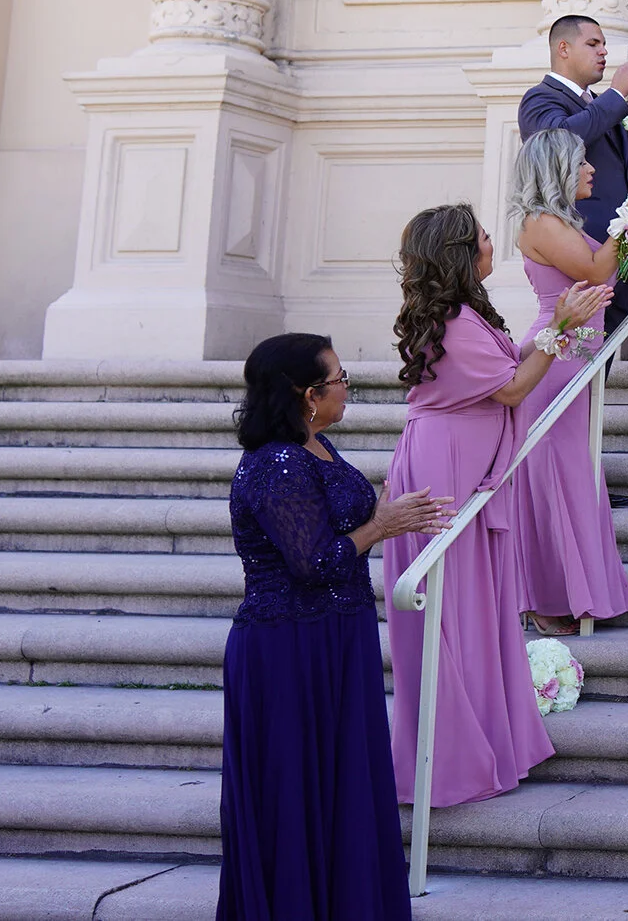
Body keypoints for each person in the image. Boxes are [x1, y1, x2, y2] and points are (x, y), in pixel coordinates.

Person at [385, 204, 609, 808]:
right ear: (460, 252)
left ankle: (489, 736)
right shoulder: (454, 322)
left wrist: (559, 328)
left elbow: (509, 370)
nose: (492, 244)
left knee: (478, 608)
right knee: (455, 613)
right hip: (447, 474)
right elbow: (512, 387)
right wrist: (559, 328)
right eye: (484, 237)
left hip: (467, 466)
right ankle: (455, 757)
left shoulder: (464, 314)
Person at [220, 333, 443, 920]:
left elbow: (335, 524)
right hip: (289, 648)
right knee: (296, 792)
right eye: (341, 379)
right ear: (307, 393)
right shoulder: (276, 462)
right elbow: (314, 562)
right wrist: (382, 526)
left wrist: (382, 511)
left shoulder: (316, 445)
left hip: (337, 635)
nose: (348, 388)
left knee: (343, 784)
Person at [510, 128, 628, 633]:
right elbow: (592, 268)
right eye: (581, 163)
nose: (591, 170)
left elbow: (610, 269)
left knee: (575, 471)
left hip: (579, 352)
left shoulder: (563, 221)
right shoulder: (541, 222)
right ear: (558, 168)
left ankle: (573, 592)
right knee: (557, 474)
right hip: (557, 354)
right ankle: (546, 597)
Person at [517, 14, 628, 332]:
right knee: (578, 356)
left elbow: (608, 174)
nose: (603, 52)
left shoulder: (597, 104)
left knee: (605, 353)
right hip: (577, 246)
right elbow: (559, 144)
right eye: (593, 43)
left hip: (617, 246)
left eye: (604, 45)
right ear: (563, 48)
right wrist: (616, 96)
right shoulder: (540, 98)